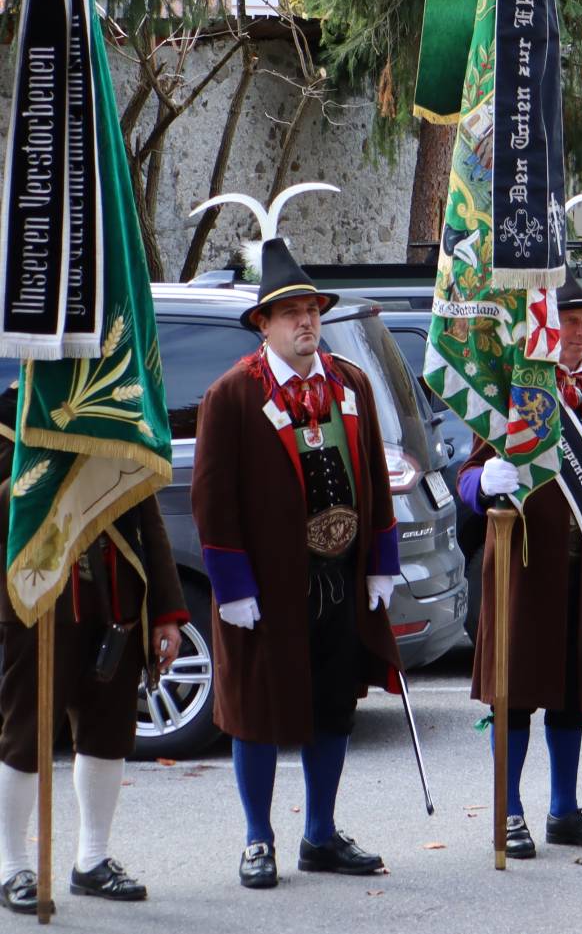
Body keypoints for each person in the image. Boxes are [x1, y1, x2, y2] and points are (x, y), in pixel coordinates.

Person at [190, 238, 401, 890]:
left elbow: (375, 479)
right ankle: (258, 838)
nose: (306, 321)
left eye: (311, 309)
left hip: (339, 578)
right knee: (257, 710)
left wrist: (381, 561)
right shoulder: (231, 395)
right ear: (264, 323)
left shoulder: (350, 384)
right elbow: (212, 499)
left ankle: (320, 834)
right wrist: (232, 586)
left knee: (333, 705)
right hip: (266, 587)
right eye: (291, 312)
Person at [458, 275, 582, 858]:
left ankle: (564, 809)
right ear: (544, 324)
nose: (579, 332)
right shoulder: (517, 388)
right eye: (568, 320)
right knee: (515, 692)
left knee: (571, 691)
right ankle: (508, 810)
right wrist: (484, 483)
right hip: (524, 566)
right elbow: (466, 478)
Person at [0, 394, 184, 911]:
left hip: (117, 599)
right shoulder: (13, 416)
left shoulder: (117, 411)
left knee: (108, 733)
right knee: (25, 737)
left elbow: (148, 518)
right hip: (40, 603)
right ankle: (12, 868)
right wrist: (49, 469)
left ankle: (93, 860)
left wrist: (167, 610)